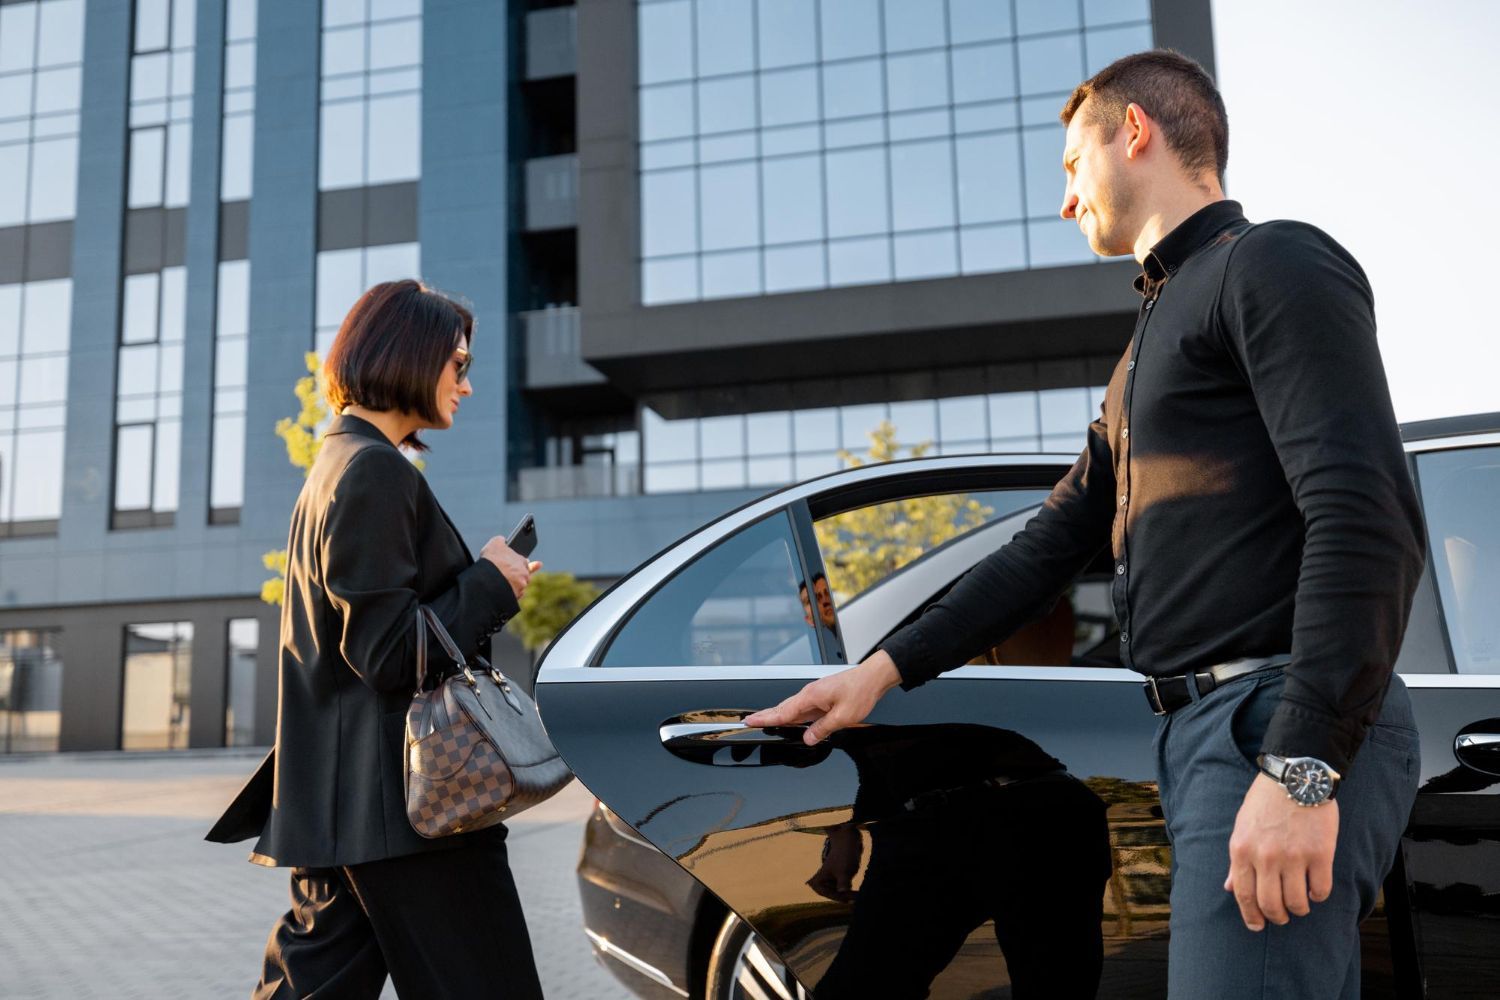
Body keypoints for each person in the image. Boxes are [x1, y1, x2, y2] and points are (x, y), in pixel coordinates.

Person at [746, 50, 1425, 999]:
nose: (1066, 201)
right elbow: (1047, 546)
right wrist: (878, 672)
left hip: (1271, 719)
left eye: (1073, 165)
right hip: (1206, 735)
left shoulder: (1272, 261)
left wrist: (1301, 766)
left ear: (1134, 131)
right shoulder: (1146, 347)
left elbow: (1368, 513)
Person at [207, 280, 546, 999]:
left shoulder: (336, 465)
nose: (469, 383)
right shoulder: (373, 471)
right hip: (411, 816)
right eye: (458, 363)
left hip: (348, 817)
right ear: (411, 355)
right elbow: (389, 655)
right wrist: (491, 581)